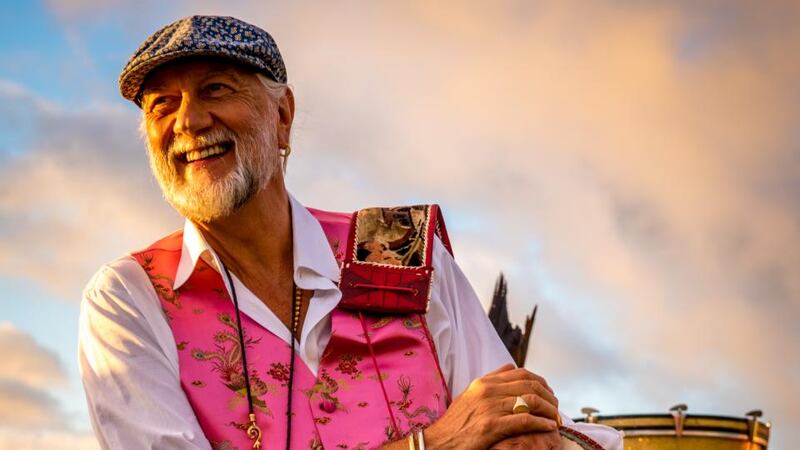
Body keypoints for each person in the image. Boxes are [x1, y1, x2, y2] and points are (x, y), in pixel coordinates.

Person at [79, 15, 623, 450]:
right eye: (161, 104)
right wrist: (432, 445)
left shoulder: (398, 248)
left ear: (283, 116)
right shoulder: (129, 296)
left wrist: (536, 429)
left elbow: (513, 423)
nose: (189, 121)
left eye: (216, 89)